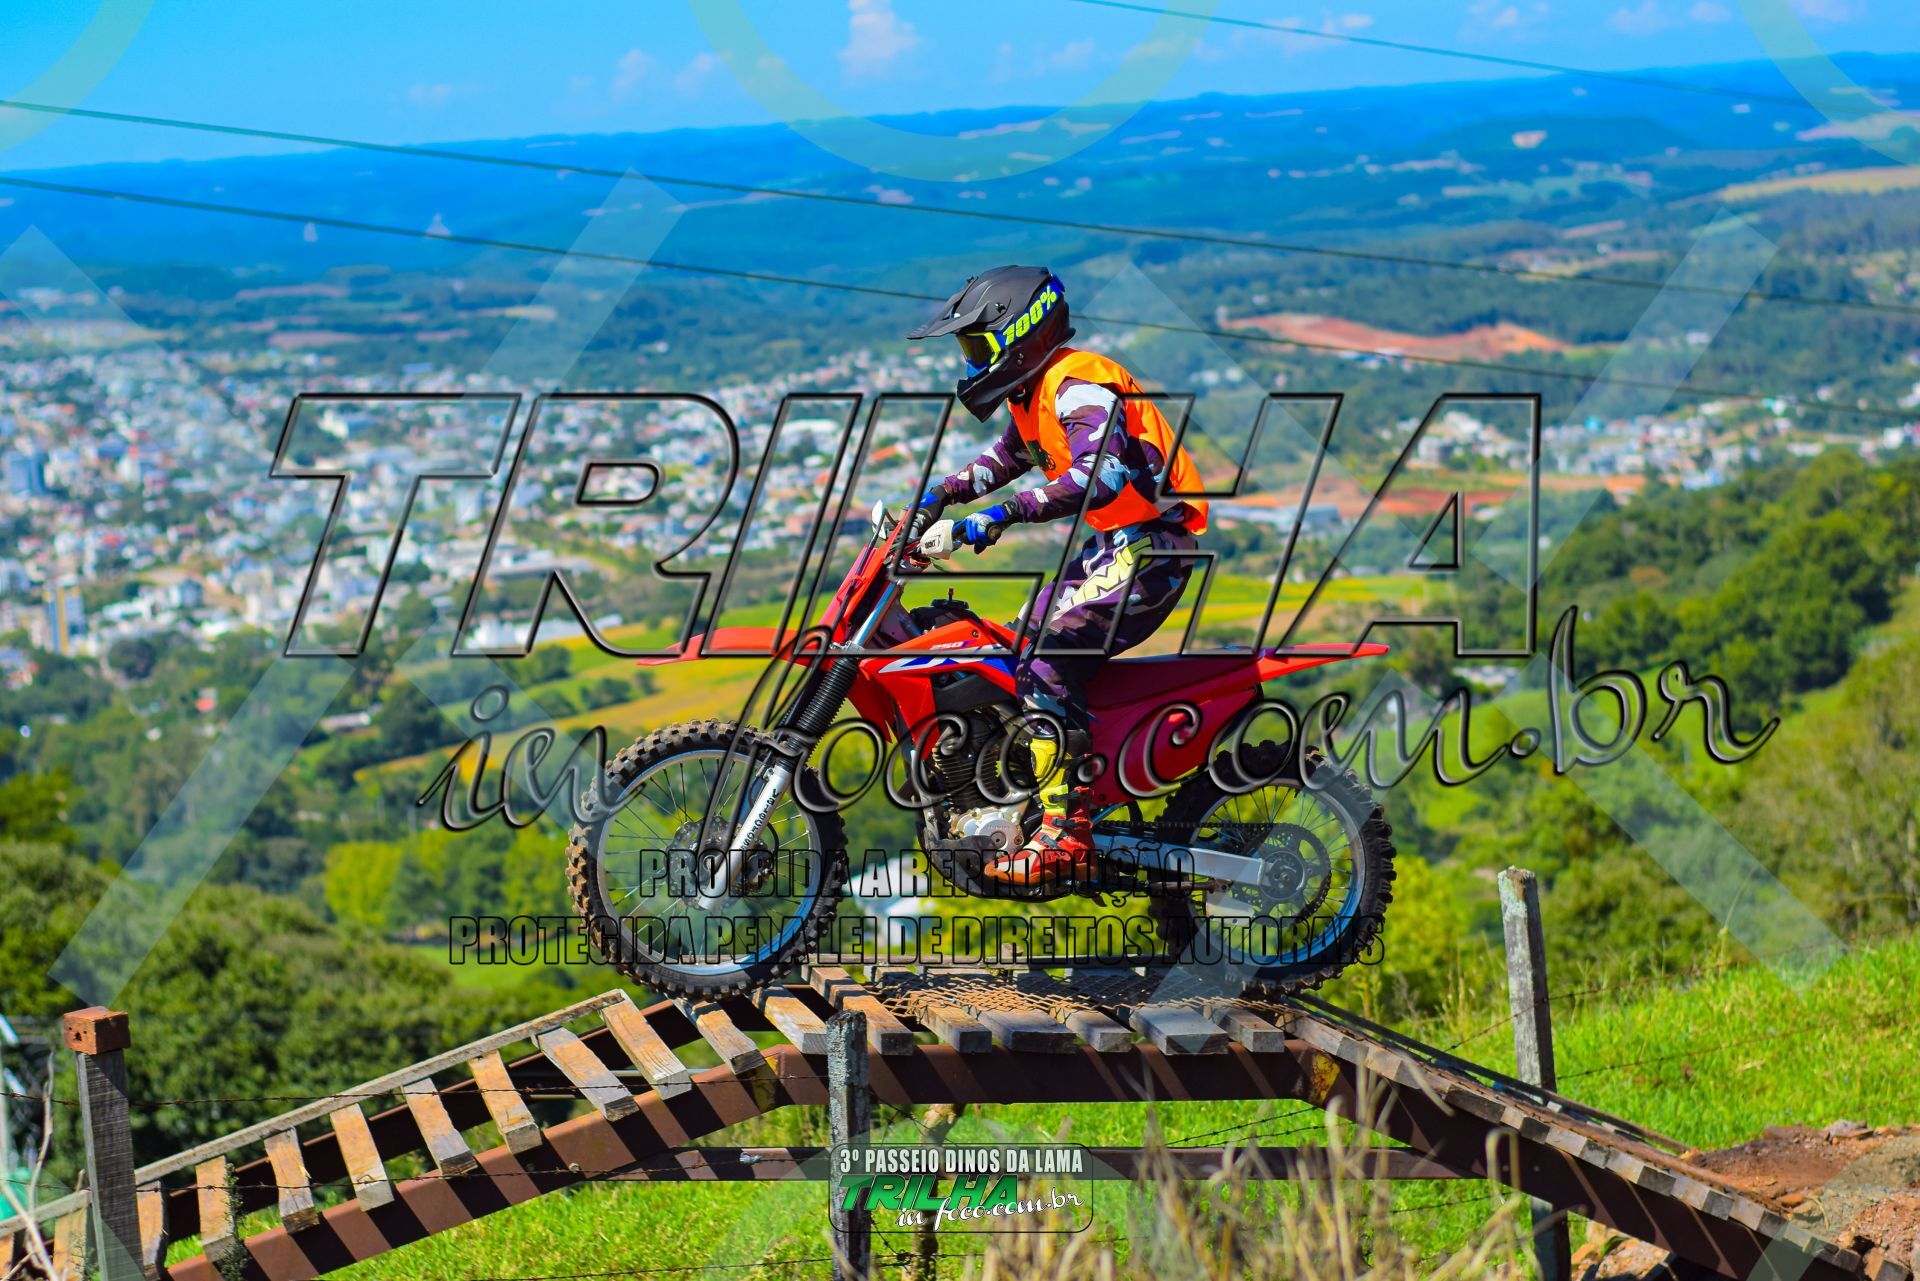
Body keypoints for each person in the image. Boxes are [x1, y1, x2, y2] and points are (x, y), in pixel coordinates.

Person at [907, 265, 1209, 887]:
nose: (971, 362)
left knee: (1043, 657)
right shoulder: (1037, 393)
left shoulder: (1079, 385)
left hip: (1151, 550)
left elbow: (1100, 476)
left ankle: (1066, 832)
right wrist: (939, 497)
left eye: (976, 346)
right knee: (1007, 647)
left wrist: (996, 516)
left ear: (1021, 332)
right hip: (1118, 547)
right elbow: (1007, 458)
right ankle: (1021, 785)